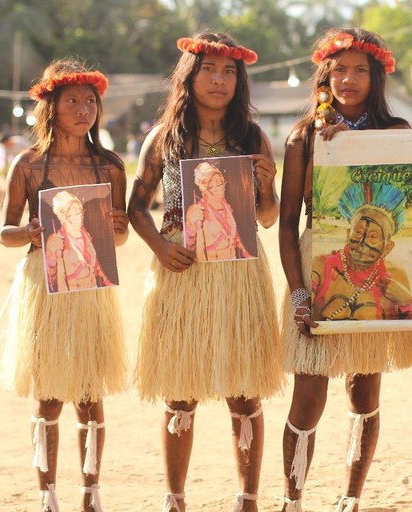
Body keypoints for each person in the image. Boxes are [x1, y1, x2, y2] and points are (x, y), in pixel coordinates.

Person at [127, 32, 283, 512]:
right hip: (182, 273)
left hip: (241, 274)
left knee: (244, 390)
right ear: (189, 77)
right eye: (208, 70)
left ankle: (248, 498)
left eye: (229, 71)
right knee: (180, 393)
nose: (219, 80)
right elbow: (136, 207)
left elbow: (268, 217)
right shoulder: (164, 137)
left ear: (240, 79)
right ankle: (175, 499)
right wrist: (158, 246)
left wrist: (267, 186)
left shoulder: (253, 137)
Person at [278, 27, 412, 512]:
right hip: (319, 273)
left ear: (376, 76)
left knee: (364, 391)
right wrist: (299, 294)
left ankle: (350, 498)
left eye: (360, 69)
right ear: (325, 74)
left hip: (378, 277)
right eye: (340, 69)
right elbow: (287, 224)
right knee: (309, 394)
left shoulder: (398, 133)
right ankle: (292, 499)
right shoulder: (304, 137)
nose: (349, 78)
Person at [0, 59, 128, 512]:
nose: (82, 108)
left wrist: (117, 224)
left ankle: (91, 493)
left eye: (90, 100)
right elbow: (4, 231)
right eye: (71, 100)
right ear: (50, 107)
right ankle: (47, 494)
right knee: (49, 394)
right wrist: (30, 233)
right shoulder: (28, 165)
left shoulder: (110, 165)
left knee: (91, 394)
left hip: (92, 285)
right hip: (45, 286)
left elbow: (121, 234)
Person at [311, 182, 412, 321]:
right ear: (348, 234)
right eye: (358, 232)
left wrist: (406, 302)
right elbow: (302, 303)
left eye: (373, 236)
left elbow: (406, 336)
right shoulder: (321, 266)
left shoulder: (396, 277)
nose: (363, 242)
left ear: (387, 247)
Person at [45, 190, 113, 292]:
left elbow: (95, 265)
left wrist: (105, 279)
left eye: (79, 212)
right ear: (62, 217)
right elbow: (51, 278)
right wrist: (51, 258)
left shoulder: (86, 235)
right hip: (72, 296)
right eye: (72, 213)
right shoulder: (56, 240)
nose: (78, 217)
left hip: (93, 289)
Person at [184, 161, 252, 260]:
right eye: (215, 184)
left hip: (232, 260)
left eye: (221, 182)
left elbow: (234, 234)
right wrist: (192, 225)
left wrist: (245, 253)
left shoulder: (226, 206)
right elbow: (189, 244)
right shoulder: (196, 210)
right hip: (212, 266)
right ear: (204, 187)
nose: (221, 187)